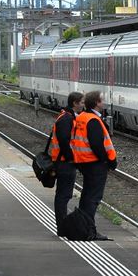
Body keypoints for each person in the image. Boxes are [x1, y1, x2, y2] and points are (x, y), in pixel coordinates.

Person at [70, 90, 118, 240]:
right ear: (97, 103)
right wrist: (107, 161)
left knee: (86, 196)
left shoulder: (82, 117)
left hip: (84, 162)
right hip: (94, 164)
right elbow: (97, 144)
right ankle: (89, 231)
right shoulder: (93, 120)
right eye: (102, 100)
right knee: (93, 198)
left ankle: (83, 229)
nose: (104, 102)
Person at [48, 91, 84, 231]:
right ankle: (62, 227)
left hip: (64, 161)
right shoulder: (66, 119)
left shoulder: (67, 116)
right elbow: (64, 140)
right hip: (64, 163)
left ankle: (62, 226)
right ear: (75, 103)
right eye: (82, 103)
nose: (83, 105)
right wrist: (71, 158)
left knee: (64, 195)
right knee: (63, 195)